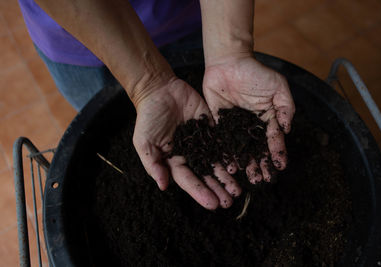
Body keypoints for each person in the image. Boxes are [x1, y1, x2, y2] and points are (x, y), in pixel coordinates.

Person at [19, 0, 295, 210]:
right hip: (82, 28)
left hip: (193, 11)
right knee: (113, 130)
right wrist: (146, 83)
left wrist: (230, 49)